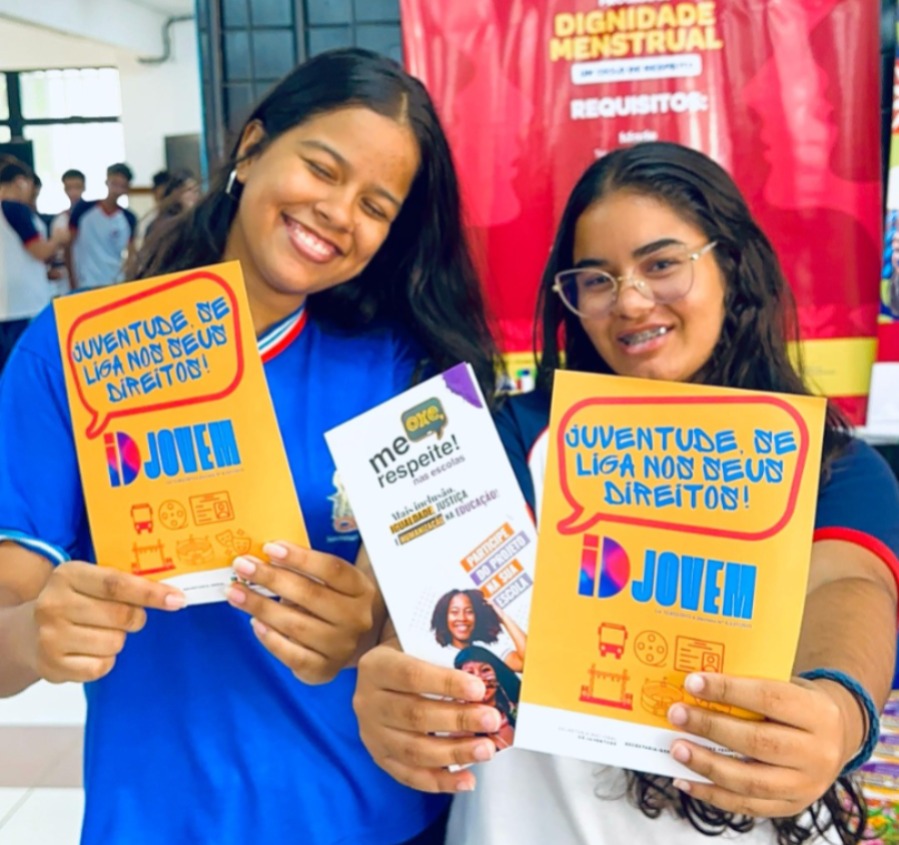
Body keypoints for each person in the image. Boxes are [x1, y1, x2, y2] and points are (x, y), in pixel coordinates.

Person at [0, 48, 500, 845]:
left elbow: (460, 628)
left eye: (376, 204)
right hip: (162, 820)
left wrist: (367, 627)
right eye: (322, 169)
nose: (338, 213)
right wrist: (34, 635)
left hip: (377, 821)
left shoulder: (408, 373)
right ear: (253, 146)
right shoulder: (77, 353)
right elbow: (9, 609)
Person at [354, 142, 899, 844]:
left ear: (729, 263)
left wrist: (837, 707)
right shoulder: (506, 436)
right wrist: (399, 676)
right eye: (596, 278)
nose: (630, 300)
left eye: (662, 263)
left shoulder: (829, 462)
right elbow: (427, 586)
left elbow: (848, 585)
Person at [0, 161, 68, 371]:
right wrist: (58, 239)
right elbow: (39, 251)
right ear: (20, 182)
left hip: (6, 300)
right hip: (23, 303)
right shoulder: (15, 209)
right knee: (23, 366)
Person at [68, 161, 136, 288]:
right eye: (114, 183)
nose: (117, 189)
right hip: (86, 282)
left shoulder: (129, 218)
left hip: (115, 282)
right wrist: (72, 279)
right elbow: (69, 245)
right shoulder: (83, 210)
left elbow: (131, 254)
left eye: (122, 185)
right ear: (107, 182)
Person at [431, 588, 527, 670]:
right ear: (444, 617)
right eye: (454, 612)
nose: (462, 618)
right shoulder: (437, 657)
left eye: (469, 611)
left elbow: (528, 663)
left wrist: (503, 617)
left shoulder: (489, 648)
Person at [455, 646, 520, 750]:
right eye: (470, 673)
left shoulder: (518, 710)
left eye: (485, 670)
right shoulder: (460, 727)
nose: (479, 679)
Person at [48, 168, 86, 297]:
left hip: (91, 274)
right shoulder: (60, 220)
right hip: (66, 279)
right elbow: (55, 251)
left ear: (84, 187)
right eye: (69, 188)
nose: (73, 192)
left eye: (77, 187)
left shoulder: (93, 217)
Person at [143, 168, 200, 243]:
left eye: (196, 191)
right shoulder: (163, 224)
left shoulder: (198, 221)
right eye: (189, 190)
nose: (194, 195)